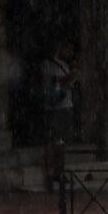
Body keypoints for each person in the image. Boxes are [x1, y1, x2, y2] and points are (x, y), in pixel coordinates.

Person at [40, 40, 78, 187]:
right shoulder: (47, 65)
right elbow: (51, 81)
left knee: (61, 141)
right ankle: (51, 173)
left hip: (65, 105)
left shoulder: (65, 65)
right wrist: (68, 78)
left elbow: (70, 83)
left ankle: (58, 172)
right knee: (52, 141)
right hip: (54, 107)